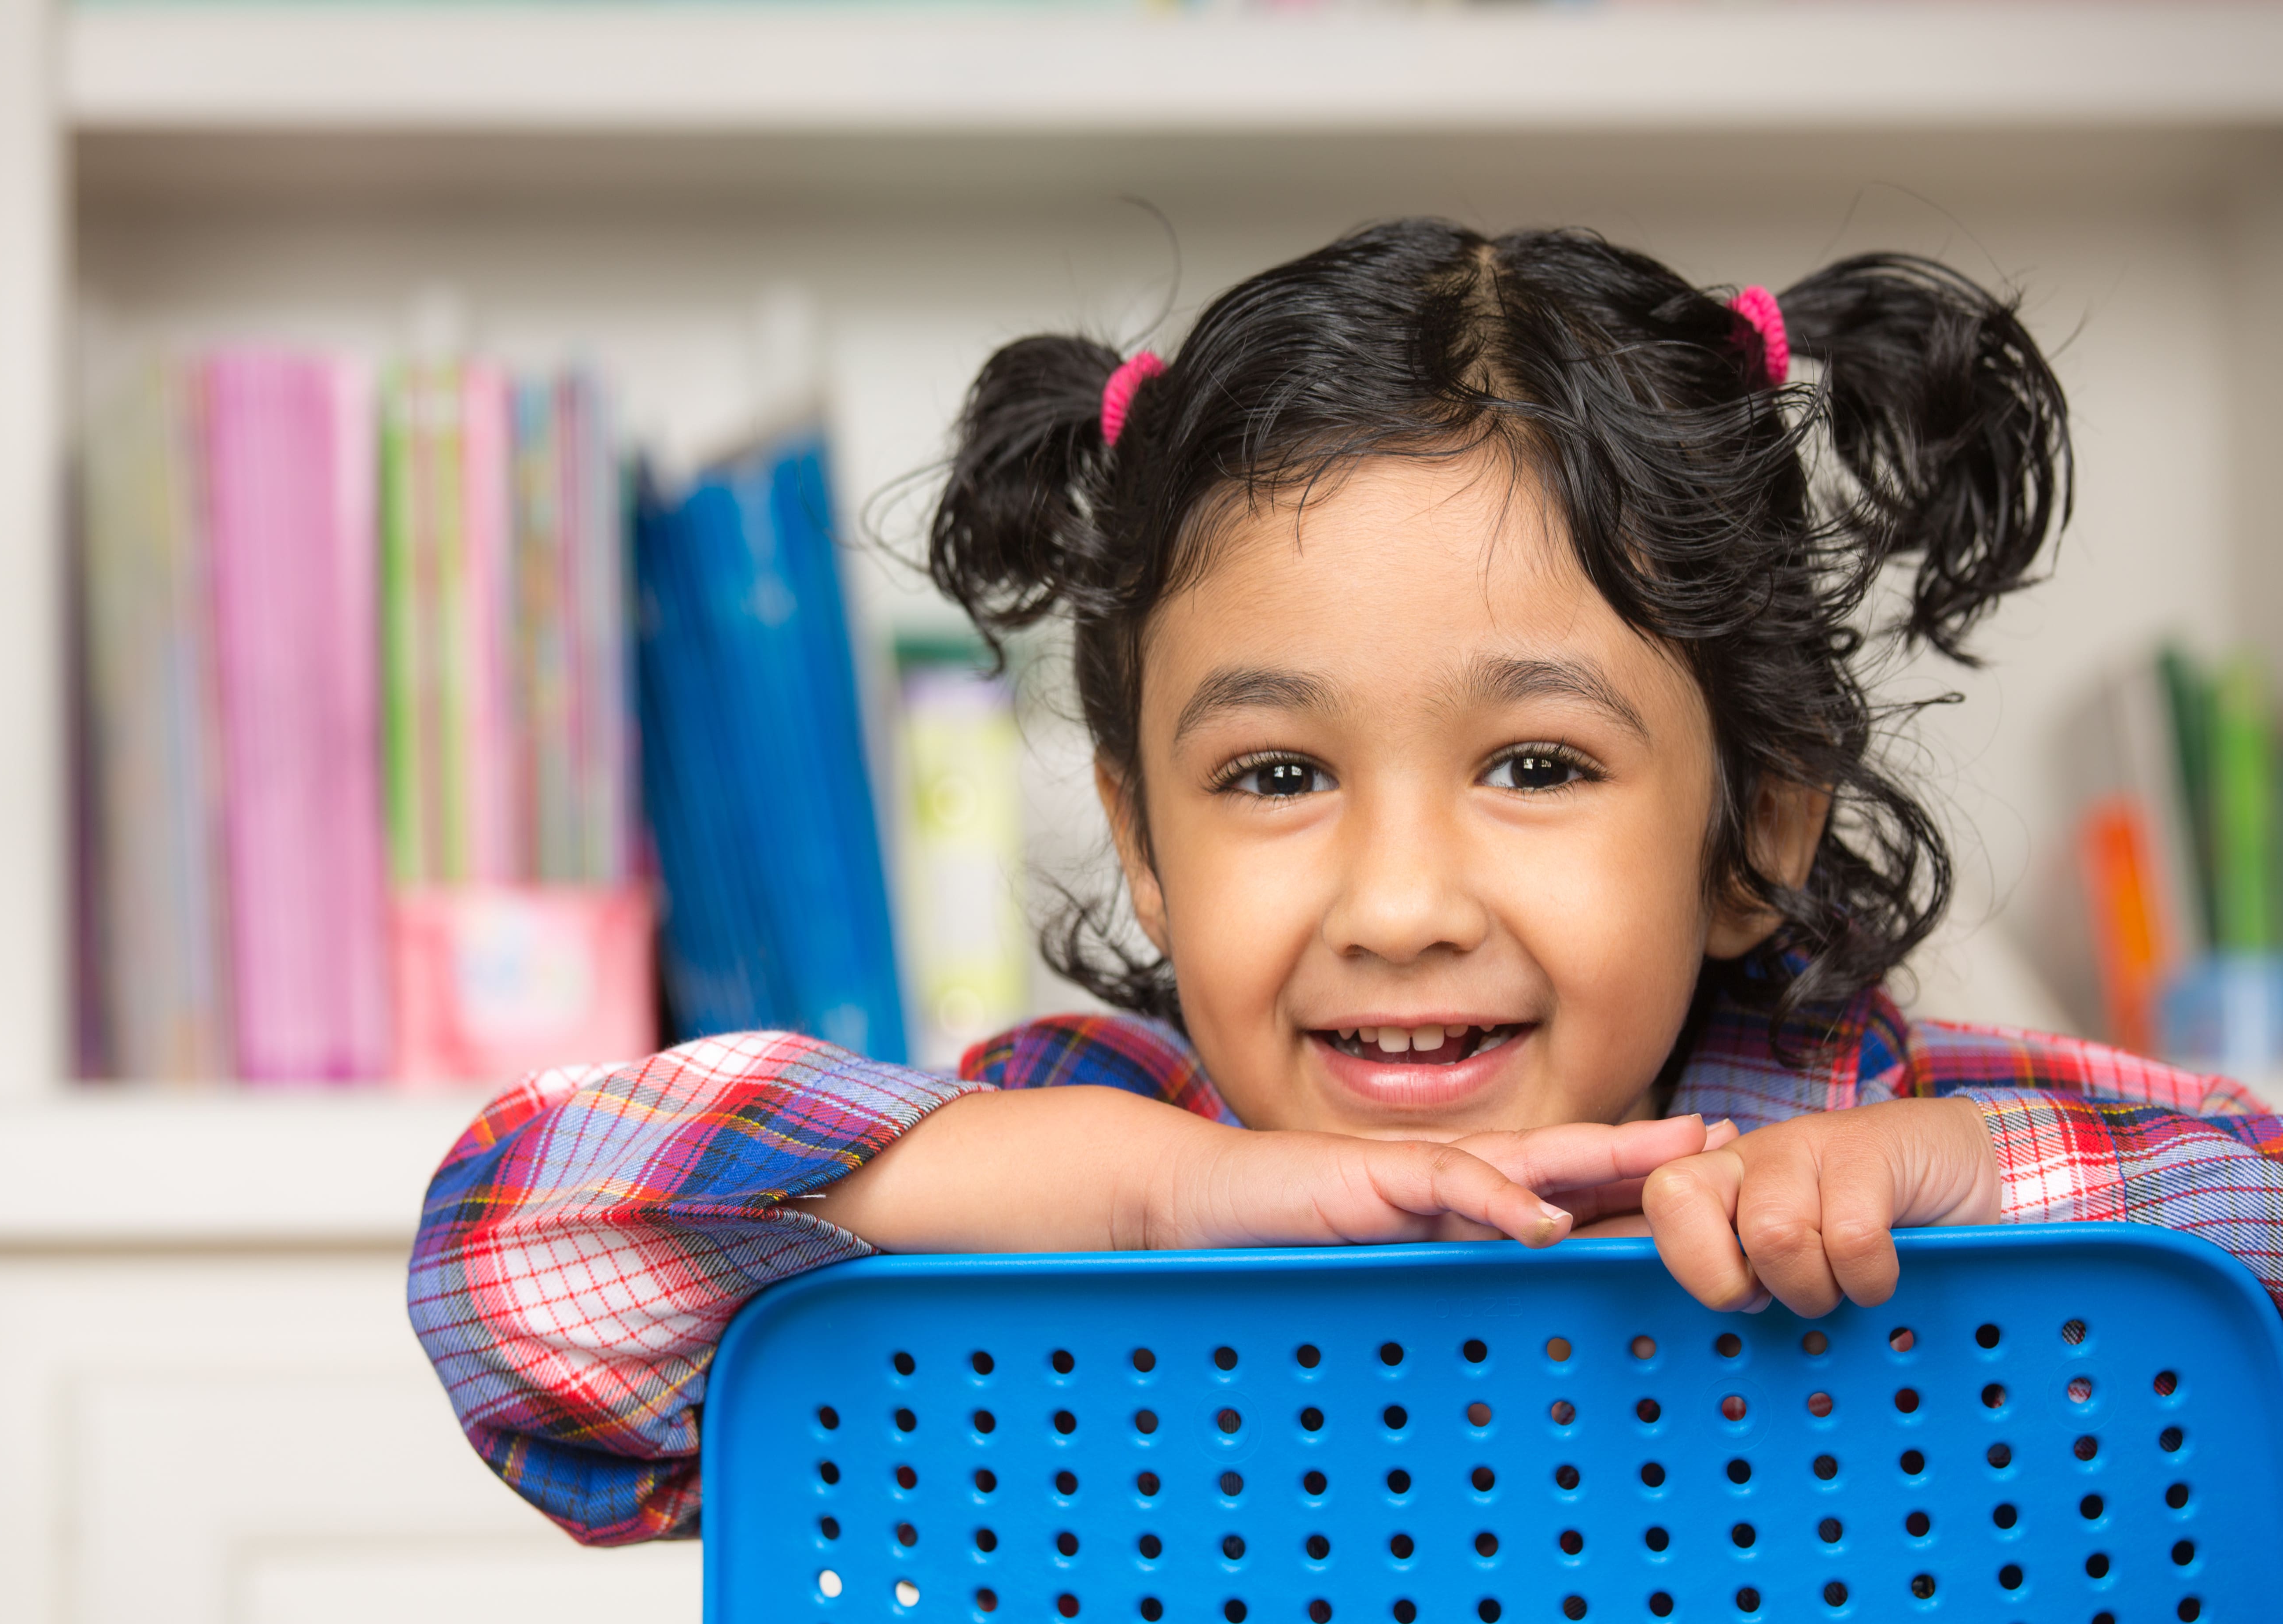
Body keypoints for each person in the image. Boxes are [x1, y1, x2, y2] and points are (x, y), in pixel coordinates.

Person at [408, 221, 2281, 1546]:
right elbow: (516, 1255)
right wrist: (1163, 1194)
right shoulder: (1076, 1153)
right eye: (1278, 774)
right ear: (1145, 839)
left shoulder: (1870, 1132)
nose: (1399, 900)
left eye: (1537, 765)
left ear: (1759, 828)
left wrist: (1981, 1202)